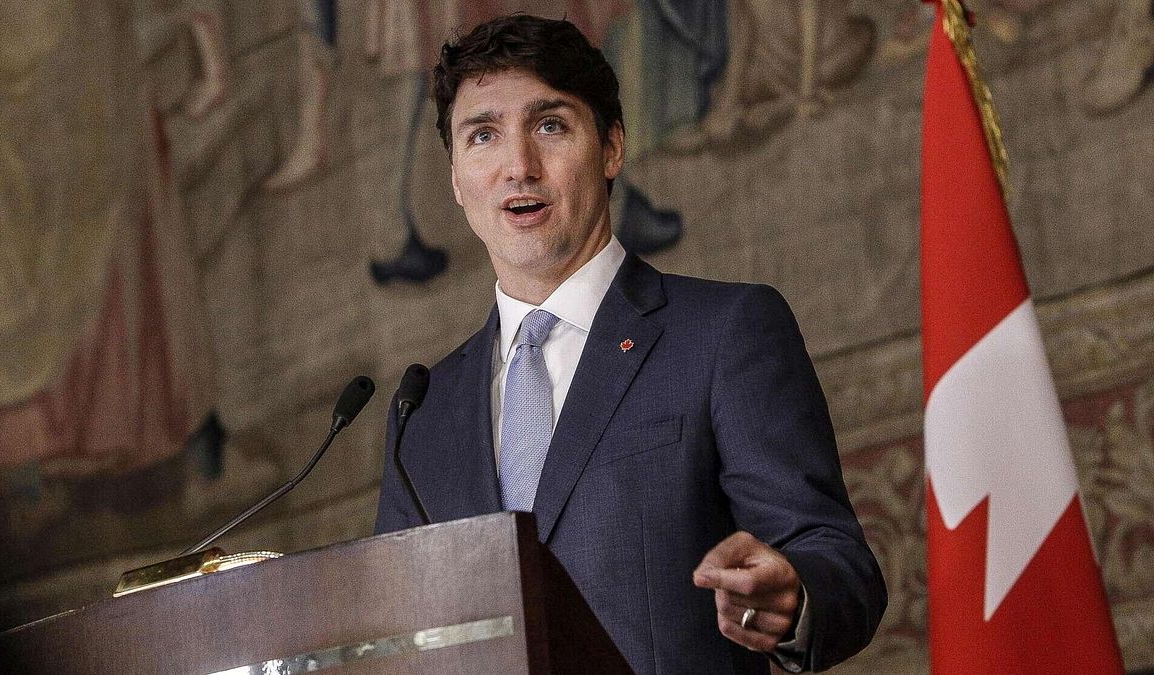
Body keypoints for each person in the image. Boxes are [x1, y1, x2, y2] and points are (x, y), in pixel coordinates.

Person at [374, 14, 886, 674]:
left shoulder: (724, 332)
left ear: (612, 147)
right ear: (455, 179)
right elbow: (391, 636)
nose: (518, 166)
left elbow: (836, 559)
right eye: (483, 136)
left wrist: (792, 594)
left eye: (550, 125)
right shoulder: (424, 411)